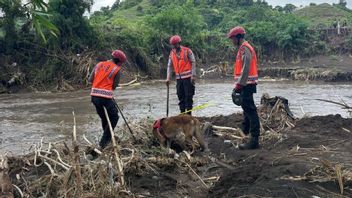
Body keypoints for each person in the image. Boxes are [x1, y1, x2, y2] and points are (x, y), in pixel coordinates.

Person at [228, 26, 260, 150]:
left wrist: (239, 85)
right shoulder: (243, 48)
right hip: (246, 83)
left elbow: (246, 68)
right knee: (246, 110)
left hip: (246, 84)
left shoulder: (245, 49)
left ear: (238, 37)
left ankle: (254, 140)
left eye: (232, 39)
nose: (232, 41)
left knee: (250, 111)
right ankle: (245, 132)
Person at [88, 50, 126, 149]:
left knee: (105, 118)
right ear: (119, 61)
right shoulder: (116, 69)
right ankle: (103, 143)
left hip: (94, 96)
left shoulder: (99, 64)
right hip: (105, 97)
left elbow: (90, 80)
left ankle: (108, 138)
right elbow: (114, 86)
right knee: (114, 117)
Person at [166, 35, 196, 115]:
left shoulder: (187, 51)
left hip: (188, 78)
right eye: (173, 45)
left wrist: (193, 75)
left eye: (175, 44)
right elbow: (169, 66)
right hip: (179, 79)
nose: (174, 46)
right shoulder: (172, 53)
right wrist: (168, 78)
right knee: (180, 96)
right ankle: (182, 115)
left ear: (179, 43)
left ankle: (189, 115)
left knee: (188, 97)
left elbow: (193, 62)